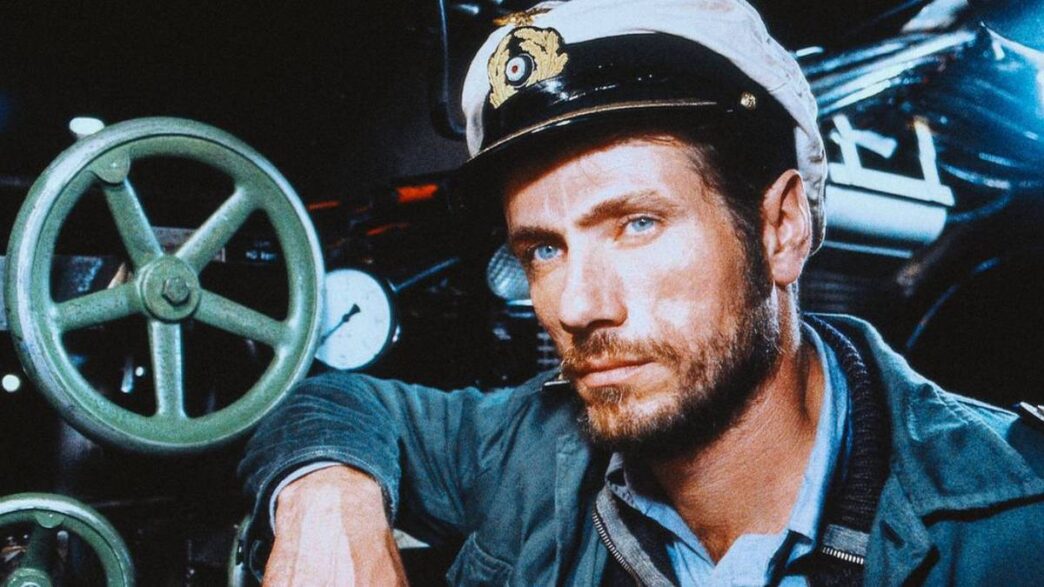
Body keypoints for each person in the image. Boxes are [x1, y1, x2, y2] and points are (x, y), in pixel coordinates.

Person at [239, 0, 1044, 584]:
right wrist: (325, 495)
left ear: (781, 228)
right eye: (544, 247)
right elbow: (331, 402)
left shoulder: (1013, 524)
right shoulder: (531, 449)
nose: (575, 305)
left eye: (636, 223)